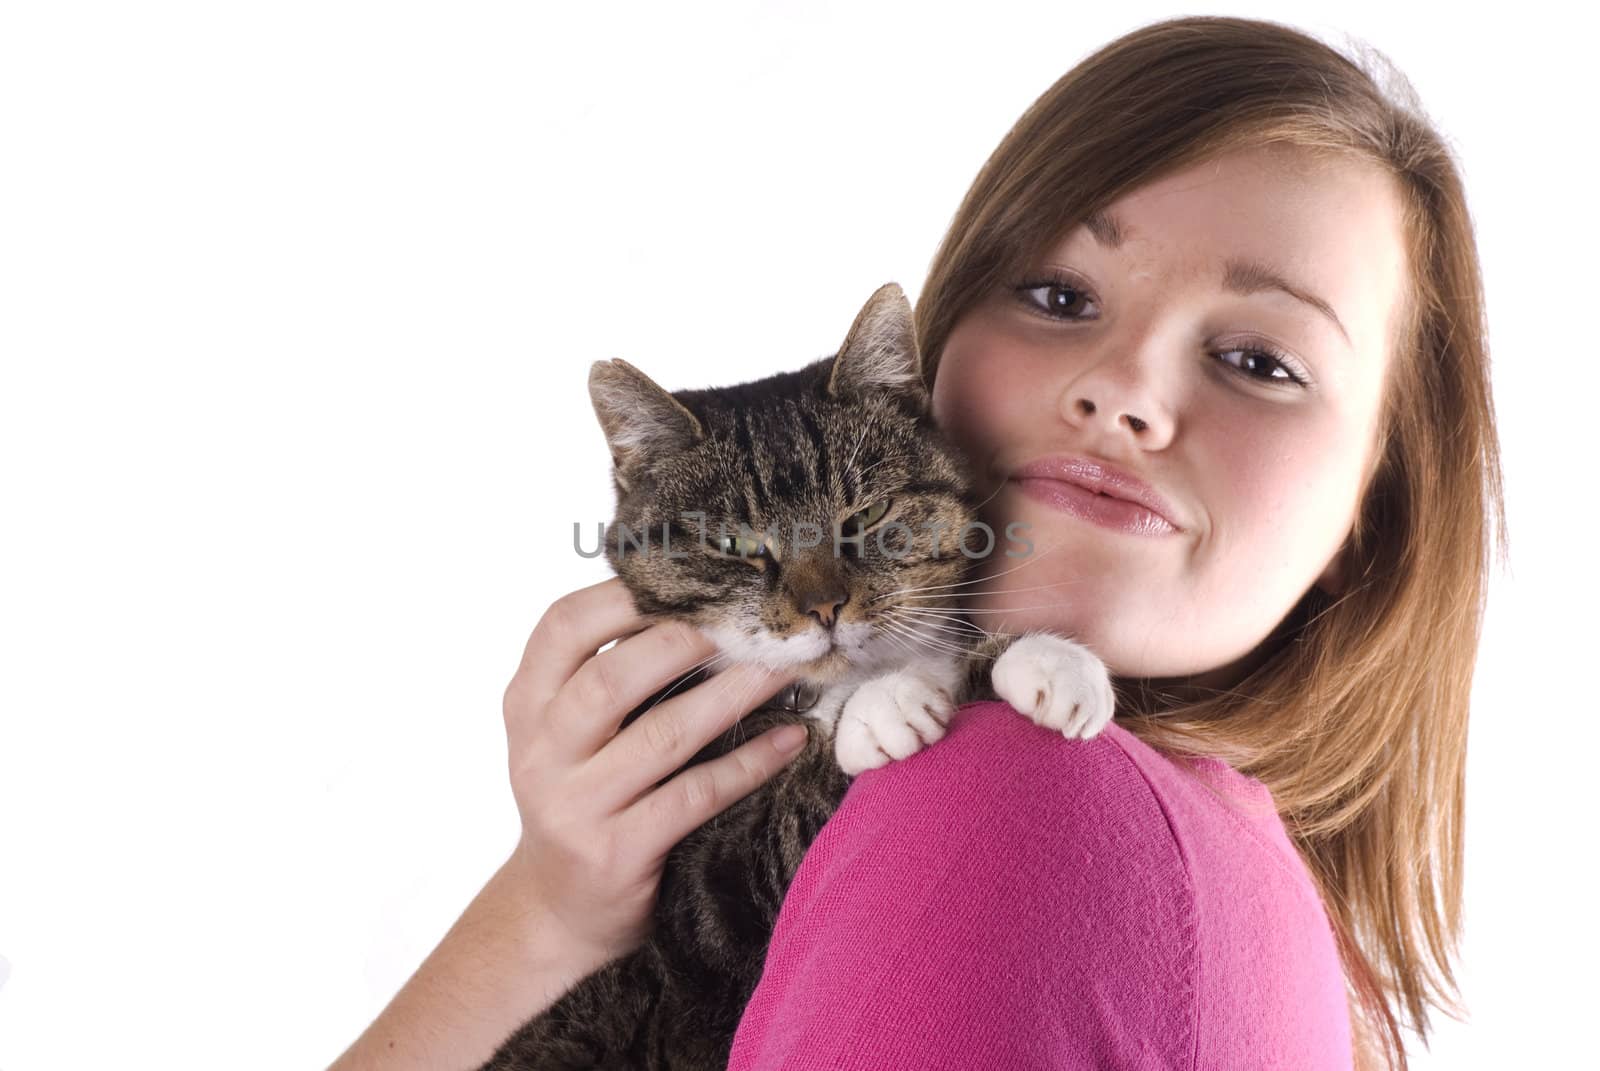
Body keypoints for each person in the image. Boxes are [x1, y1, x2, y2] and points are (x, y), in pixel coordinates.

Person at [329, 15, 1503, 1071]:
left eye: (1259, 360)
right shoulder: (1258, 883)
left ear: (1372, 515)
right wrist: (547, 911)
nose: (1121, 393)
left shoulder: (1008, 797)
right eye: (1058, 296)